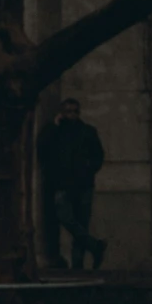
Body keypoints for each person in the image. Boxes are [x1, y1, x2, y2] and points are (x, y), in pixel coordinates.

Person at [38, 97, 105, 270]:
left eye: (75, 111)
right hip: (62, 185)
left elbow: (98, 156)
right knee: (66, 218)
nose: (72, 115)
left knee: (81, 223)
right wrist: (54, 126)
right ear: (62, 113)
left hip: (83, 185)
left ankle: (78, 265)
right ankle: (94, 246)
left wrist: (88, 170)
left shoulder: (88, 131)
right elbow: (42, 148)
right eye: (68, 111)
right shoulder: (55, 132)